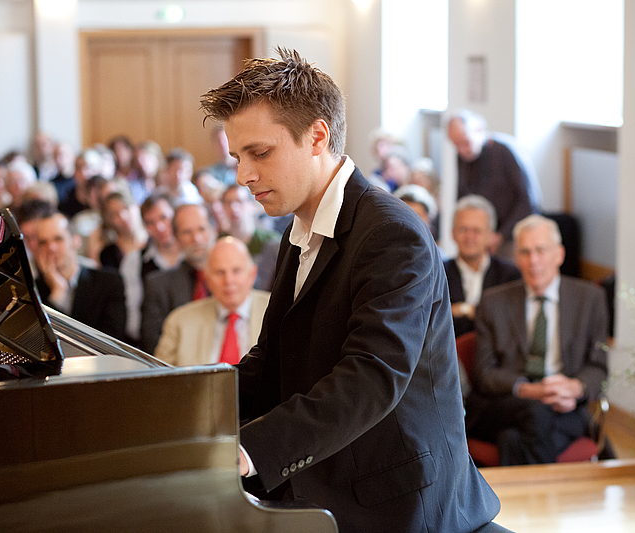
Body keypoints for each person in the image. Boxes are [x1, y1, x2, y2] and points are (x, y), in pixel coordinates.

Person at [200, 48, 501, 533]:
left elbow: (371, 376)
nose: (243, 175)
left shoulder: (391, 233)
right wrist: (188, 405)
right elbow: (271, 360)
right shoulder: (298, 227)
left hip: (398, 501)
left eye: (260, 153)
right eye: (238, 157)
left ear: (317, 137)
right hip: (330, 475)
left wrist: (249, 450)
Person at [466, 214, 609, 466]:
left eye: (541, 251)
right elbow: (484, 374)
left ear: (559, 254)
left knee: (511, 439)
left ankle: (525, 492)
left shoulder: (590, 300)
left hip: (564, 406)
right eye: (525, 252)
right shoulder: (493, 302)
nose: (533, 261)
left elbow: (598, 366)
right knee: (536, 410)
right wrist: (530, 390)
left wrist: (574, 388)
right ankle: (550, 492)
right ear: (516, 258)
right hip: (506, 404)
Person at [153, 236, 270, 366]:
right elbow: (160, 375)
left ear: (252, 274)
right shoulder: (179, 322)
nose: (228, 280)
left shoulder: (276, 312)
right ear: (207, 279)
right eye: (220, 272)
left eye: (236, 271)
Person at [447, 109, 542, 259]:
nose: (462, 150)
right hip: (483, 234)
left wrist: (500, 235)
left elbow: (528, 201)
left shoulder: (507, 151)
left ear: (479, 130)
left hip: (511, 234)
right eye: (456, 145)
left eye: (465, 143)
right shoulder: (462, 155)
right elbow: (463, 198)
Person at [34, 211, 126, 341]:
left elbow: (111, 340)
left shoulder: (109, 283)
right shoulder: (33, 290)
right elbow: (37, 340)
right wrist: (57, 293)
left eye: (58, 239)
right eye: (43, 242)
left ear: (76, 241)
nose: (51, 248)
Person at [140, 202, 216, 354]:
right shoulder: (158, 285)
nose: (196, 238)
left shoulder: (234, 277)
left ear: (213, 230)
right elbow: (152, 344)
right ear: (176, 237)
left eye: (202, 229)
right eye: (187, 232)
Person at [444, 195, 520, 338]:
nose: (469, 236)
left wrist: (461, 310)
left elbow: (510, 320)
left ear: (491, 236)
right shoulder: (438, 273)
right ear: (452, 233)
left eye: (477, 231)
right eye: (463, 229)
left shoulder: (510, 275)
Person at [119, 193, 182, 344]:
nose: (159, 227)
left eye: (164, 218)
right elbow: (132, 317)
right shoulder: (135, 262)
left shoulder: (192, 256)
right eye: (150, 223)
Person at [220, 183, 280, 291]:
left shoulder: (271, 242)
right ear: (223, 207)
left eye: (239, 201)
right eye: (228, 203)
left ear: (252, 205)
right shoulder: (219, 243)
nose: (233, 207)